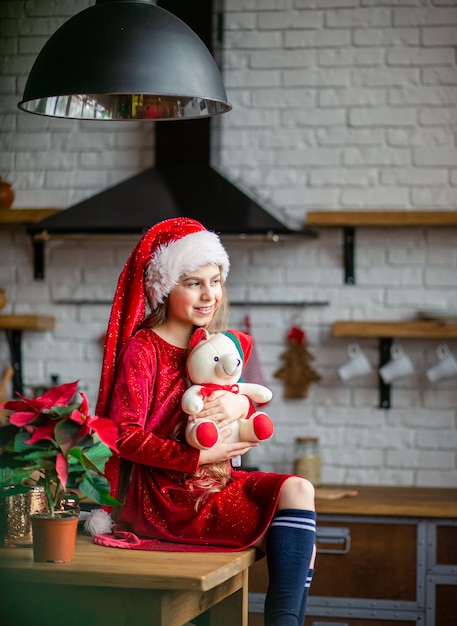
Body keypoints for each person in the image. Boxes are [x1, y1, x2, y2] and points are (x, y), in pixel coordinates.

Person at [94, 217, 316, 626]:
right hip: (168, 496)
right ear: (164, 288)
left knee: (299, 491)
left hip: (217, 481)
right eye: (193, 283)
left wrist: (239, 409)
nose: (208, 294)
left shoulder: (212, 343)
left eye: (214, 280)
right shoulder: (144, 351)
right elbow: (122, 436)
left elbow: (234, 397)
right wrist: (193, 458)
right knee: (291, 536)